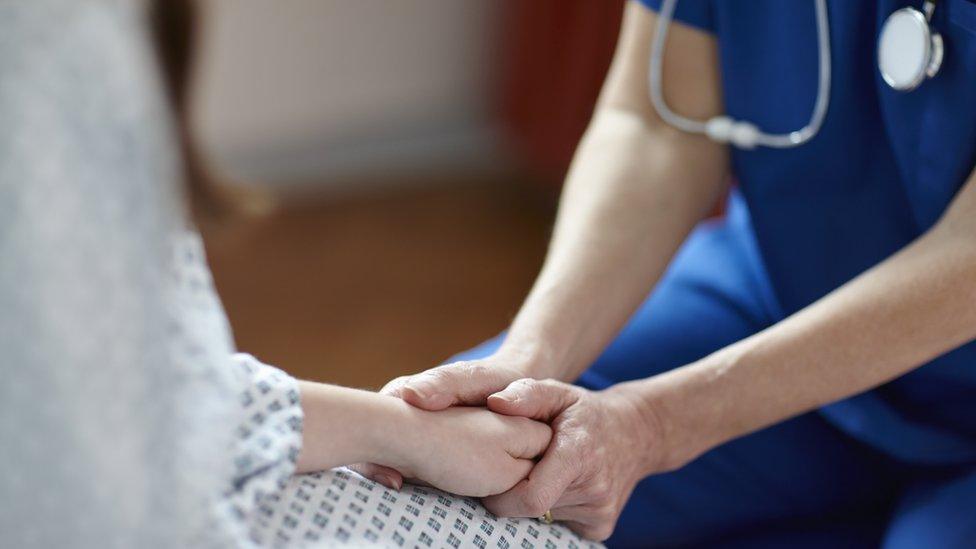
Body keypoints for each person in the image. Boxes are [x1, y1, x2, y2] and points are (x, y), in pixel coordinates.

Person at [356, 1, 976, 547]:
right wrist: (529, 361)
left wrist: (653, 425)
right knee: (438, 475)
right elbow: (658, 122)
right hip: (773, 294)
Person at [0, 2, 603, 547]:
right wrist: (402, 432)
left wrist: (415, 425)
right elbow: (109, 472)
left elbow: (125, 388)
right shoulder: (54, 43)